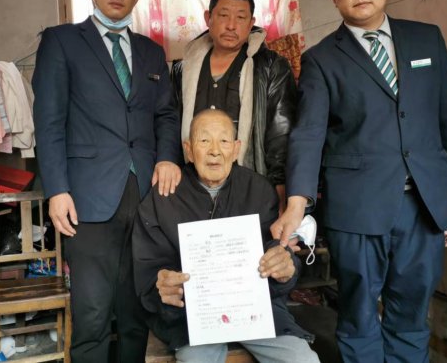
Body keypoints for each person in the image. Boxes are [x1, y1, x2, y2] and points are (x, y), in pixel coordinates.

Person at [271, 0, 447, 363]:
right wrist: (296, 202)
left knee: (412, 315)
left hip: (424, 204)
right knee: (359, 317)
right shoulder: (321, 59)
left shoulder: (427, 39)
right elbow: (308, 134)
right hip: (356, 209)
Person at [32, 0, 182, 363]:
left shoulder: (151, 52)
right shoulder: (62, 41)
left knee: (137, 310)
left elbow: (167, 115)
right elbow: (49, 122)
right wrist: (57, 190)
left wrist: (167, 157)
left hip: (146, 195)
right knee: (93, 313)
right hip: (86, 196)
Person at [132, 109, 320, 363]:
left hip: (256, 311)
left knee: (302, 359)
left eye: (223, 141)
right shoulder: (164, 196)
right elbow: (148, 270)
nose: (214, 151)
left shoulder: (258, 190)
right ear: (188, 150)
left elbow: (277, 249)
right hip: (192, 317)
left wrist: (286, 266)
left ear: (236, 149)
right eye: (204, 140)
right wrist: (162, 287)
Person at [171, 0, 297, 212]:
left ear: (251, 23)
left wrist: (280, 186)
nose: (231, 25)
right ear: (208, 18)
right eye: (223, 15)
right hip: (192, 188)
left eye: (240, 17)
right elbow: (170, 124)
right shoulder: (183, 69)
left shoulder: (271, 66)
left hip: (250, 184)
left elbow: (281, 132)